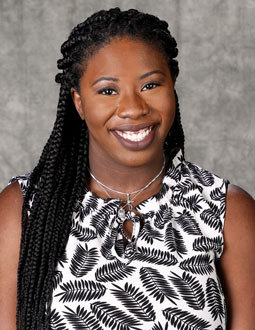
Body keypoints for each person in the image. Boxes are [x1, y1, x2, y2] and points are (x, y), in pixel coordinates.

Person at [0, 7, 254, 330]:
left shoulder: (228, 211)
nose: (133, 108)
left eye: (150, 85)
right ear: (78, 102)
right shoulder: (23, 211)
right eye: (108, 91)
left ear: (172, 85)